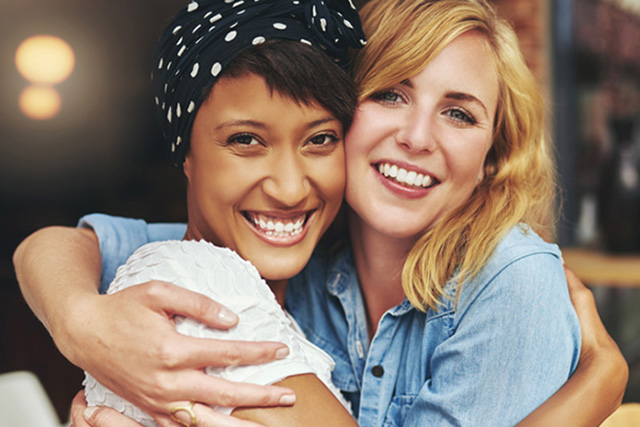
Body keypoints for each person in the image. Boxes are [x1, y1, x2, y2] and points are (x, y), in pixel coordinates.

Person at [14, 0, 628, 426]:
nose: (418, 137)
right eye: (390, 93)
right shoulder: (293, 249)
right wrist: (79, 320)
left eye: (459, 113)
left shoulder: (508, 282)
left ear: (493, 156)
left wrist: (595, 388)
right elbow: (63, 244)